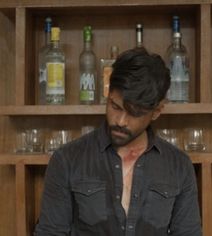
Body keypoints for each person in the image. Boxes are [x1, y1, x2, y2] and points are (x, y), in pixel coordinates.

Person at [35, 48, 202, 236]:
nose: (120, 121)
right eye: (115, 106)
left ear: (156, 111)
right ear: (108, 95)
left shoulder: (179, 165)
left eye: (134, 113)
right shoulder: (67, 160)